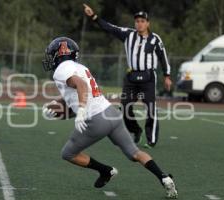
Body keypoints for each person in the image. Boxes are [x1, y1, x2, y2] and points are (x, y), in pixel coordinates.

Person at [42, 37, 178, 199]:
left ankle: (105, 171)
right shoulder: (79, 67)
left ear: (60, 53)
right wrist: (56, 105)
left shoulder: (62, 69)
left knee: (68, 153)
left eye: (51, 54)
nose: (50, 58)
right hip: (111, 113)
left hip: (96, 119)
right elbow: (76, 98)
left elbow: (82, 86)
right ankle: (164, 178)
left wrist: (82, 110)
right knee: (134, 153)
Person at [83, 4, 173, 148]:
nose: (139, 23)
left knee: (150, 108)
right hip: (131, 77)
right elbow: (109, 27)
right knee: (124, 107)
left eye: (142, 21)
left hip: (148, 77)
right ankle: (135, 130)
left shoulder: (155, 39)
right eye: (137, 21)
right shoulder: (128, 34)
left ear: (148, 23)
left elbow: (163, 58)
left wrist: (167, 75)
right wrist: (94, 16)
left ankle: (151, 139)